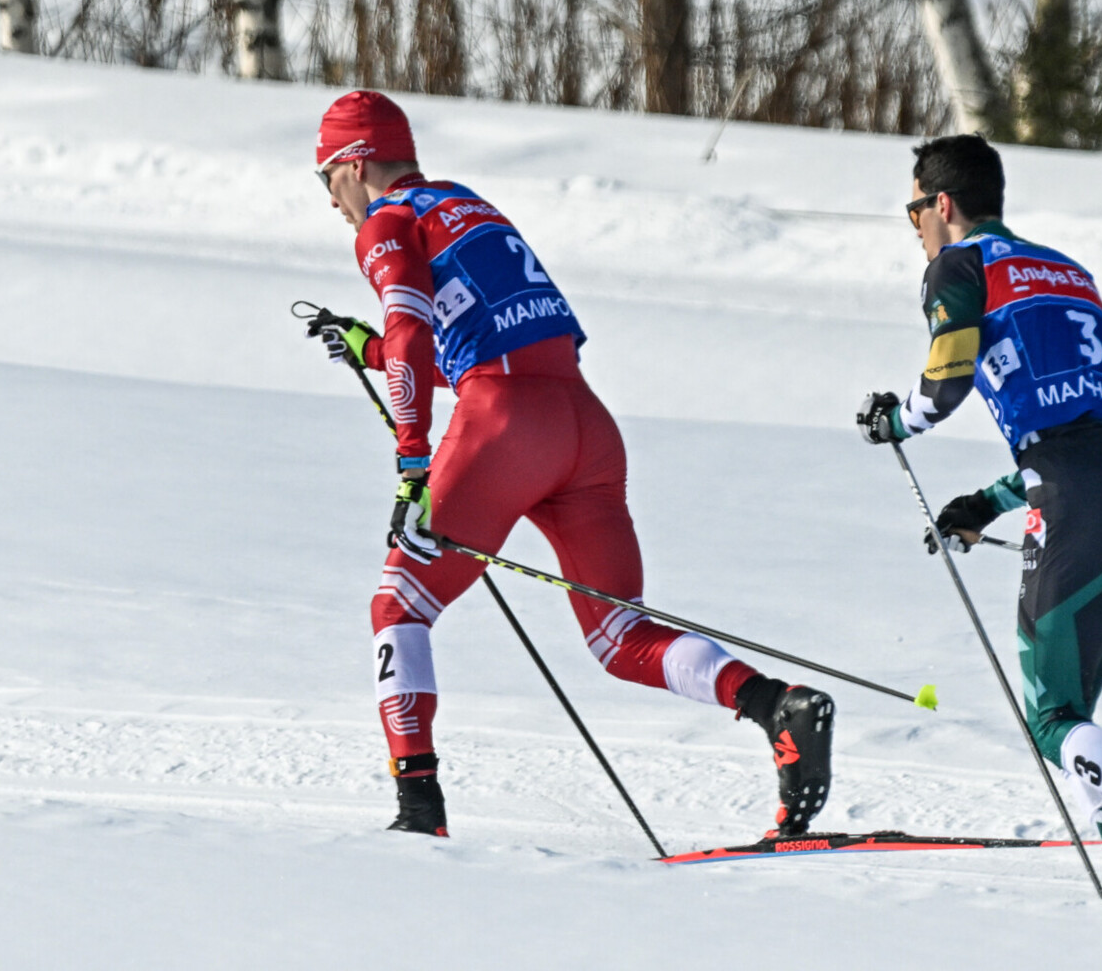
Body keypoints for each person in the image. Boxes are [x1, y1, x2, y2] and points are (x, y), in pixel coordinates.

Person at [305, 89, 833, 839]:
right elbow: (478, 345)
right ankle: (774, 705)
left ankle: (418, 814)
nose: (330, 200)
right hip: (583, 425)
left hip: (504, 426)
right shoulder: (466, 204)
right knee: (620, 637)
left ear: (356, 164)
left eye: (326, 176)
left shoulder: (388, 221)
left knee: (398, 606)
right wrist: (369, 350)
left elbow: (415, 329)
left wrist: (412, 462)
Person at [856, 135, 1102, 911]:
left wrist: (898, 422)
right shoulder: (1066, 268)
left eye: (915, 209)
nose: (914, 227)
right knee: (1072, 717)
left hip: (1078, 492)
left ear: (943, 204)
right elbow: (1073, 423)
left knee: (1049, 720)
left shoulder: (958, 265)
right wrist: (988, 502)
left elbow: (948, 374)